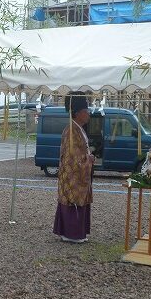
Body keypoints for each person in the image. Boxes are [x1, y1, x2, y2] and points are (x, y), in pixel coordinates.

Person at [53, 91, 94, 243]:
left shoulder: (77, 128)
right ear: (78, 113)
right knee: (73, 200)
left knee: (78, 201)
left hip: (77, 172)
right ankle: (71, 234)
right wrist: (87, 160)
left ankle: (76, 233)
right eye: (86, 111)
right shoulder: (71, 130)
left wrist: (88, 158)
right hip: (73, 174)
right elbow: (72, 156)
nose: (88, 114)